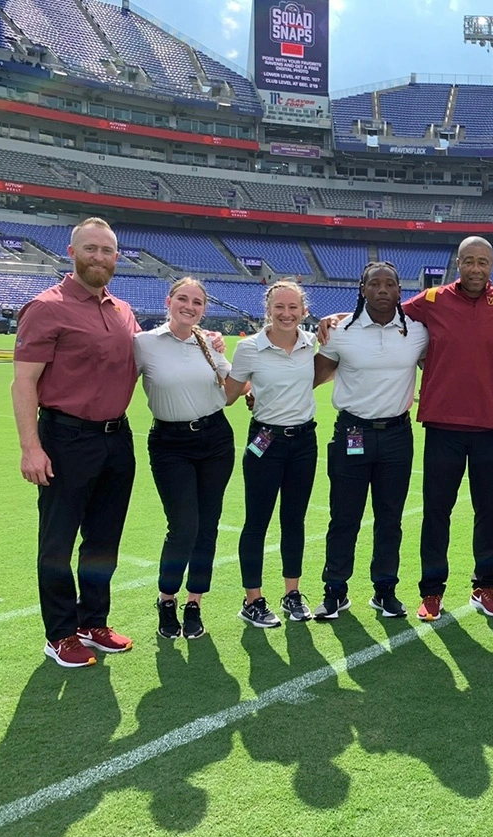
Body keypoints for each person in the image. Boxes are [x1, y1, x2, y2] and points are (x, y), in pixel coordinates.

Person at [13, 217, 139, 668]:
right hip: (65, 438)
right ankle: (61, 633)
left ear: (116, 256)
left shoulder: (123, 310)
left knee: (103, 540)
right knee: (58, 542)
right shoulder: (47, 307)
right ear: (72, 253)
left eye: (107, 250)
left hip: (116, 438)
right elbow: (24, 383)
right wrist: (31, 446)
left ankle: (93, 622)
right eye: (90, 249)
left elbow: (152, 360)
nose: (99, 258)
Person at [399, 237, 493, 622]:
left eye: (482, 262)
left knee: (488, 511)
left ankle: (484, 586)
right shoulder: (432, 300)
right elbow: (384, 317)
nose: (475, 268)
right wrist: (337, 318)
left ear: (492, 265)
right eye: (468, 261)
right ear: (458, 263)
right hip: (442, 425)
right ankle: (432, 591)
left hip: (491, 426)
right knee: (437, 510)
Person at [312, 261, 428, 621]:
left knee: (390, 518)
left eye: (389, 284)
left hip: (397, 434)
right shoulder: (340, 331)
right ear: (362, 289)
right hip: (352, 433)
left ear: (399, 291)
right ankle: (335, 591)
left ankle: (384, 590)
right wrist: (263, 395)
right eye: (374, 284)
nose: (382, 290)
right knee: (344, 517)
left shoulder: (418, 331)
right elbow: (311, 377)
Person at [134, 277, 237, 641]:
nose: (189, 306)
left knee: (208, 524)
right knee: (183, 525)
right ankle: (166, 599)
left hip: (215, 440)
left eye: (197, 302)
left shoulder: (208, 342)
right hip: (170, 443)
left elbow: (232, 389)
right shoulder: (144, 344)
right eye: (183, 298)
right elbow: (116, 381)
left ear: (204, 309)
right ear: (169, 301)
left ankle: (194, 602)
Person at [225, 280, 319, 629]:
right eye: (279, 307)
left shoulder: (312, 343)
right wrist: (250, 390)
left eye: (293, 307)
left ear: (304, 310)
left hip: (304, 442)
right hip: (265, 441)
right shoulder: (249, 348)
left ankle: (292, 593)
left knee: (294, 520)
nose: (286, 313)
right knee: (257, 521)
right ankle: (253, 600)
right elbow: (229, 394)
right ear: (268, 310)